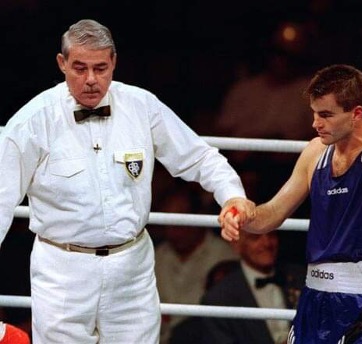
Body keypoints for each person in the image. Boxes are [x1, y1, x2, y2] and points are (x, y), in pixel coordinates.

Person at [0, 19, 255, 344]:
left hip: (131, 268)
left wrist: (232, 195)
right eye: (80, 68)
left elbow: (200, 157)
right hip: (62, 273)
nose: (91, 79)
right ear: (62, 64)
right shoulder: (32, 121)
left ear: (114, 63)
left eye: (100, 68)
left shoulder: (141, 106)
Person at [220, 14, 362, 343]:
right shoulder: (315, 152)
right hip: (315, 300)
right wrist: (242, 214)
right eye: (314, 113)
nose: (315, 123)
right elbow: (272, 214)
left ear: (356, 114)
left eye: (325, 115)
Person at [154, 186, 239, 344]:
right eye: (167, 225)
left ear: (196, 218)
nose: (172, 233)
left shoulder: (223, 255)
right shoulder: (157, 255)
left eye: (179, 225)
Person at [200, 231, 305, 344]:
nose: (267, 243)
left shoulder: (301, 277)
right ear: (236, 245)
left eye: (271, 235)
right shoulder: (218, 298)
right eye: (255, 237)